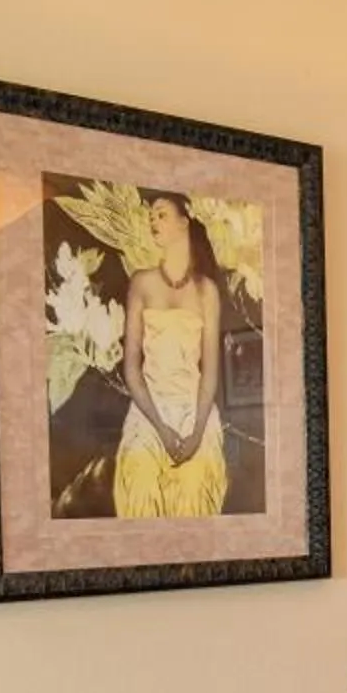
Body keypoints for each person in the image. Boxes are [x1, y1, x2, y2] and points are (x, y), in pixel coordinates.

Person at [53, 181, 229, 515]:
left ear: (184, 221)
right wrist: (162, 431)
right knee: (143, 487)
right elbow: (132, 369)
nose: (153, 221)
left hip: (197, 415)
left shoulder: (207, 291)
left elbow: (210, 375)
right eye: (150, 216)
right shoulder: (142, 283)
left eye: (161, 214)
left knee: (195, 492)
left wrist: (194, 433)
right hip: (150, 414)